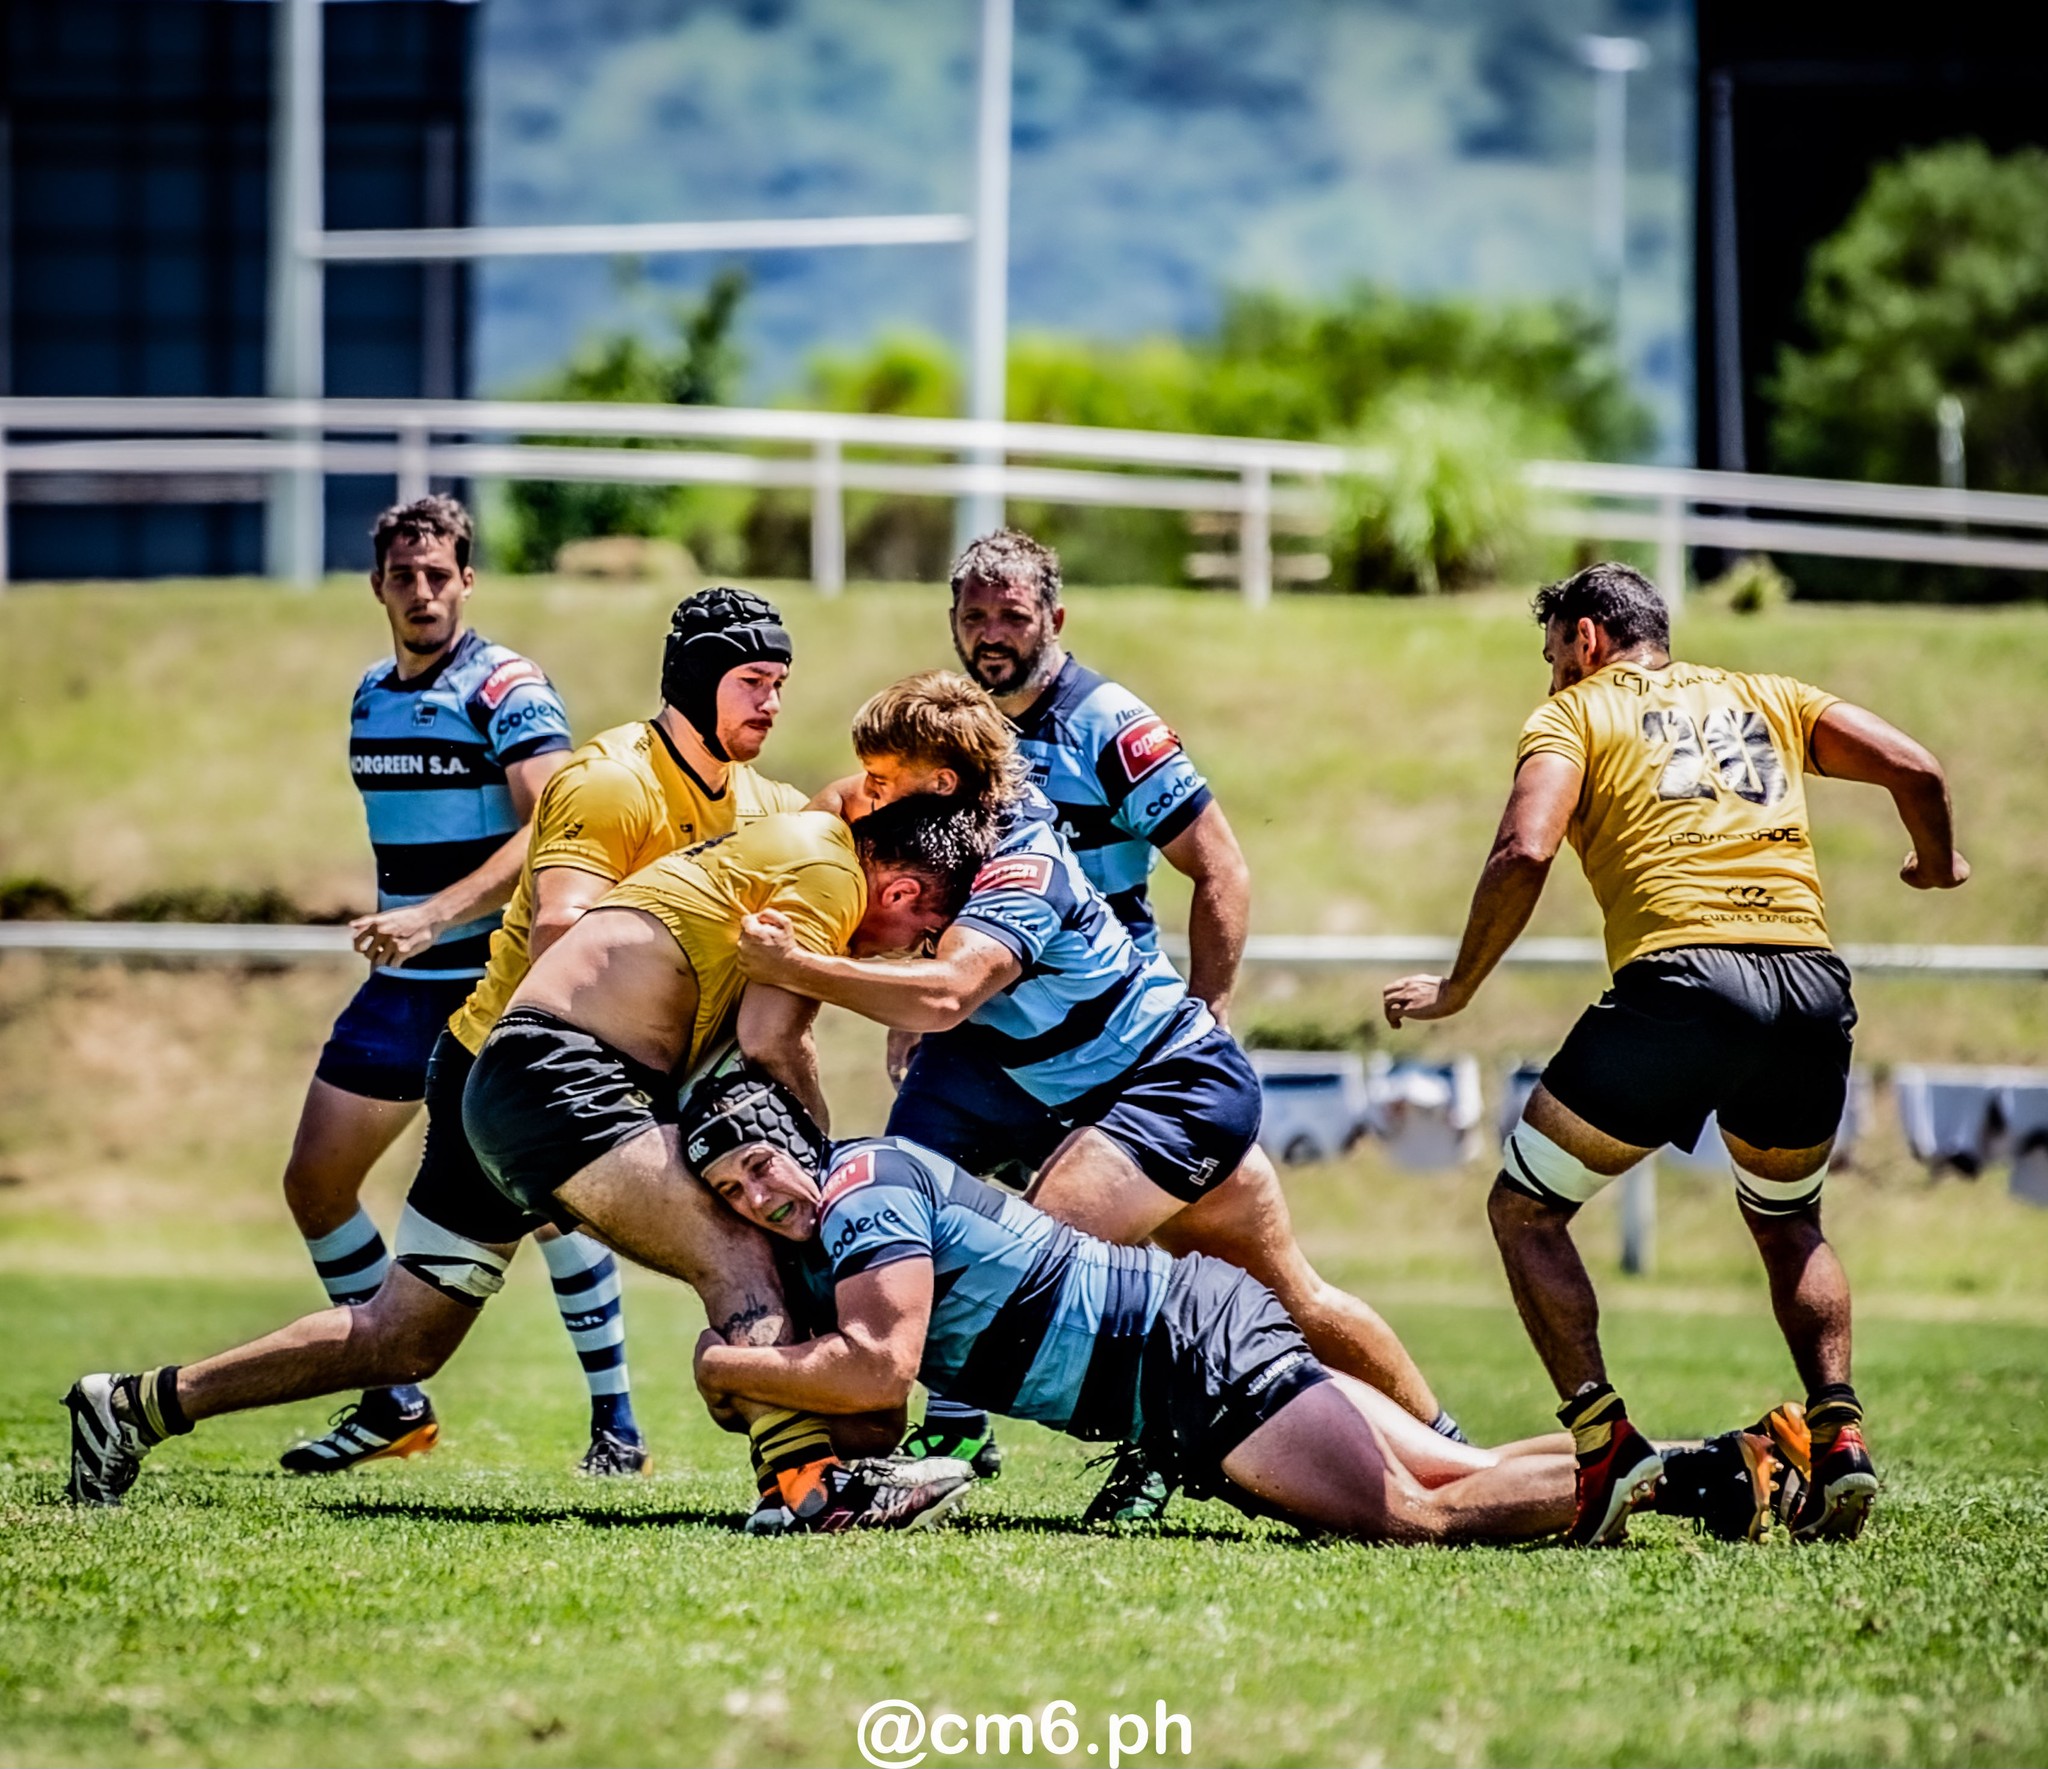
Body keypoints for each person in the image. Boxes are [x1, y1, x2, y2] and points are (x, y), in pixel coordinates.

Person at [64, 800, 986, 1534]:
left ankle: (134, 1406)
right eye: (921, 933)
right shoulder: (826, 867)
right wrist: (823, 1163)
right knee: (740, 1251)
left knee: (402, 1336)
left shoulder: (788, 831)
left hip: (513, 1073)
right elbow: (772, 1035)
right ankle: (805, 1486)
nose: (903, 955)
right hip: (565, 1076)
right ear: (902, 889)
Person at [740, 684, 1457, 1522]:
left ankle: (1122, 1448)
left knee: (1038, 1270)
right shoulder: (939, 819)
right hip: (1103, 1090)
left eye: (880, 774)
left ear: (938, 783)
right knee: (1294, 1302)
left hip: (1172, 1087)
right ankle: (1452, 1442)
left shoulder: (1020, 858)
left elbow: (946, 996)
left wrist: (799, 968)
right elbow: (831, 818)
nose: (863, 790)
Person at [1382, 561, 1969, 1546]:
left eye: (1549, 657)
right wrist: (1935, 859)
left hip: (1686, 984)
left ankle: (1604, 1443)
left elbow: (1523, 850)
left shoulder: (1574, 716)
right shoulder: (1767, 696)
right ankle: (1837, 1435)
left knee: (1524, 1208)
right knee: (1788, 1221)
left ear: (1586, 638)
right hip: (1807, 985)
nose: (1547, 680)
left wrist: (1457, 988)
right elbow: (1916, 767)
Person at [682, 1070, 1580, 1549]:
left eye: (761, 1165)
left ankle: (1674, 1484)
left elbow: (880, 1368)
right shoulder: (830, 1233)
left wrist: (721, 1367)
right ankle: (1683, 1465)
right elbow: (873, 1421)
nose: (757, 1196)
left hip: (1189, 1352)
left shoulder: (862, 1191)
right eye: (730, 1190)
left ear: (798, 1140)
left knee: (1415, 1518)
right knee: (1463, 1468)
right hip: (1188, 1339)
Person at [278, 495, 574, 1475]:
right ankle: (391, 1397)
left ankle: (617, 1420)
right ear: (377, 586)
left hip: (486, 984)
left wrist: (433, 913)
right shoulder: (370, 692)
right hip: (401, 990)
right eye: (403, 575)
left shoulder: (508, 688)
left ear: (467, 579)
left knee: (550, 1200)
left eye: (438, 573)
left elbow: (553, 833)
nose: (421, 590)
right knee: (315, 1181)